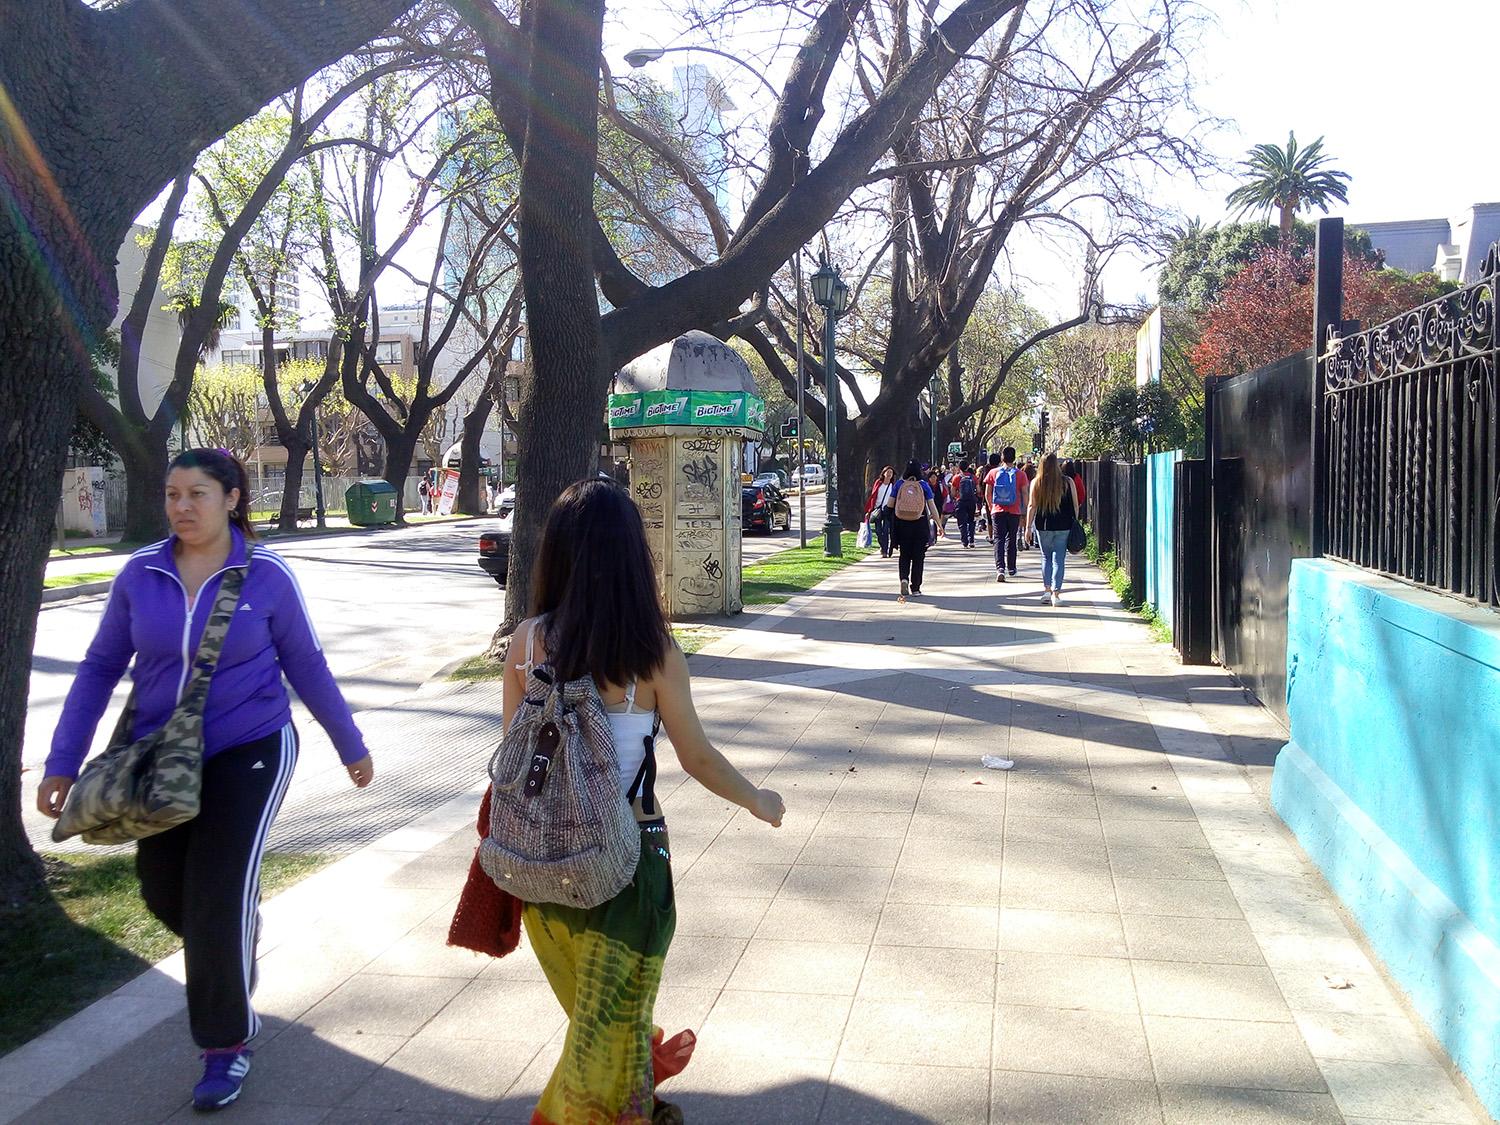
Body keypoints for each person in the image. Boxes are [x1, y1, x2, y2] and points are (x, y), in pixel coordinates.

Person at [37, 448, 374, 1112]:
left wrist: (350, 744)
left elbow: (305, 662)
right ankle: (230, 934)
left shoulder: (267, 576)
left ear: (231, 497)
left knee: (214, 892)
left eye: (196, 493)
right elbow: (100, 667)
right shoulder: (143, 572)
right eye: (171, 494)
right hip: (164, 759)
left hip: (252, 747)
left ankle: (225, 1045)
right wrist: (61, 760)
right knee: (166, 891)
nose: (181, 506)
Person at [503, 479, 785, 1124]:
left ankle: (641, 1094)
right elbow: (699, 758)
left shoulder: (524, 644)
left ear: (557, 557)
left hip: (543, 877)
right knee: (603, 1037)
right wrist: (757, 800)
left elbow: (516, 762)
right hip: (627, 871)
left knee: (600, 1029)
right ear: (635, 557)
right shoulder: (654, 654)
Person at [1026, 452, 1079, 606]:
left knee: (1045, 557)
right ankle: (1056, 593)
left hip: (1044, 526)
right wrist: (1075, 521)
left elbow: (1032, 505)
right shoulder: (1068, 482)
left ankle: (1046, 591)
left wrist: (1028, 527)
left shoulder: (1037, 482)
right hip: (1064, 525)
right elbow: (1075, 505)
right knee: (1059, 560)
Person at [884, 460, 943, 600]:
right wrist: (939, 525)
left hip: (902, 524)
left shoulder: (899, 484)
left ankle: (904, 578)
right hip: (919, 524)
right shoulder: (923, 486)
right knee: (918, 557)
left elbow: (890, 505)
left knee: (904, 554)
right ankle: (915, 587)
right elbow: (932, 507)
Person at [984, 447, 1028, 582]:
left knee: (998, 539)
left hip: (997, 511)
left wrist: (992, 507)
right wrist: (1025, 511)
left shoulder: (993, 472)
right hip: (1014, 511)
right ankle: (1012, 567)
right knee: (1011, 538)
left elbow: (987, 493)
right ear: (1014, 458)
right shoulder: (1020, 474)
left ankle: (1000, 568)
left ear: (1002, 457)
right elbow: (1025, 493)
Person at [864, 465, 898, 558]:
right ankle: (882, 546)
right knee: (878, 530)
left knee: (886, 530)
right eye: (888, 472)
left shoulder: (893, 486)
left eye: (891, 473)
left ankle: (885, 550)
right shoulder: (878, 483)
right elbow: (873, 496)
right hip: (877, 509)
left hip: (888, 510)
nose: (889, 474)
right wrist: (869, 510)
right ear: (883, 473)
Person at [954, 462, 979, 548]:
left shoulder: (957, 477)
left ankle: (965, 541)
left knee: (962, 521)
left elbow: (953, 492)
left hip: (960, 501)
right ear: (968, 467)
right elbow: (978, 490)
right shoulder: (973, 477)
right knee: (971, 521)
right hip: (971, 501)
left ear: (959, 468)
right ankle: (971, 540)